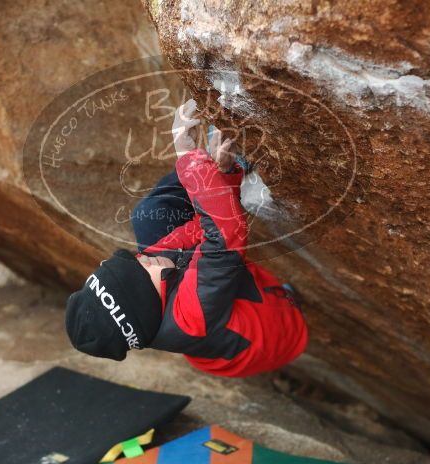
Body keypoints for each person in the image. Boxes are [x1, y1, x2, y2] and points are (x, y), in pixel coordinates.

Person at [65, 99, 307, 377]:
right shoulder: (191, 319)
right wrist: (187, 157)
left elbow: (201, 230)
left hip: (210, 307)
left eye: (135, 260)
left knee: (149, 215)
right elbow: (226, 237)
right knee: (229, 261)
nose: (143, 256)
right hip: (274, 335)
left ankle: (219, 159)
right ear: (147, 305)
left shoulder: (151, 265)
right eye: (141, 268)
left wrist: (219, 170)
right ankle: (288, 302)